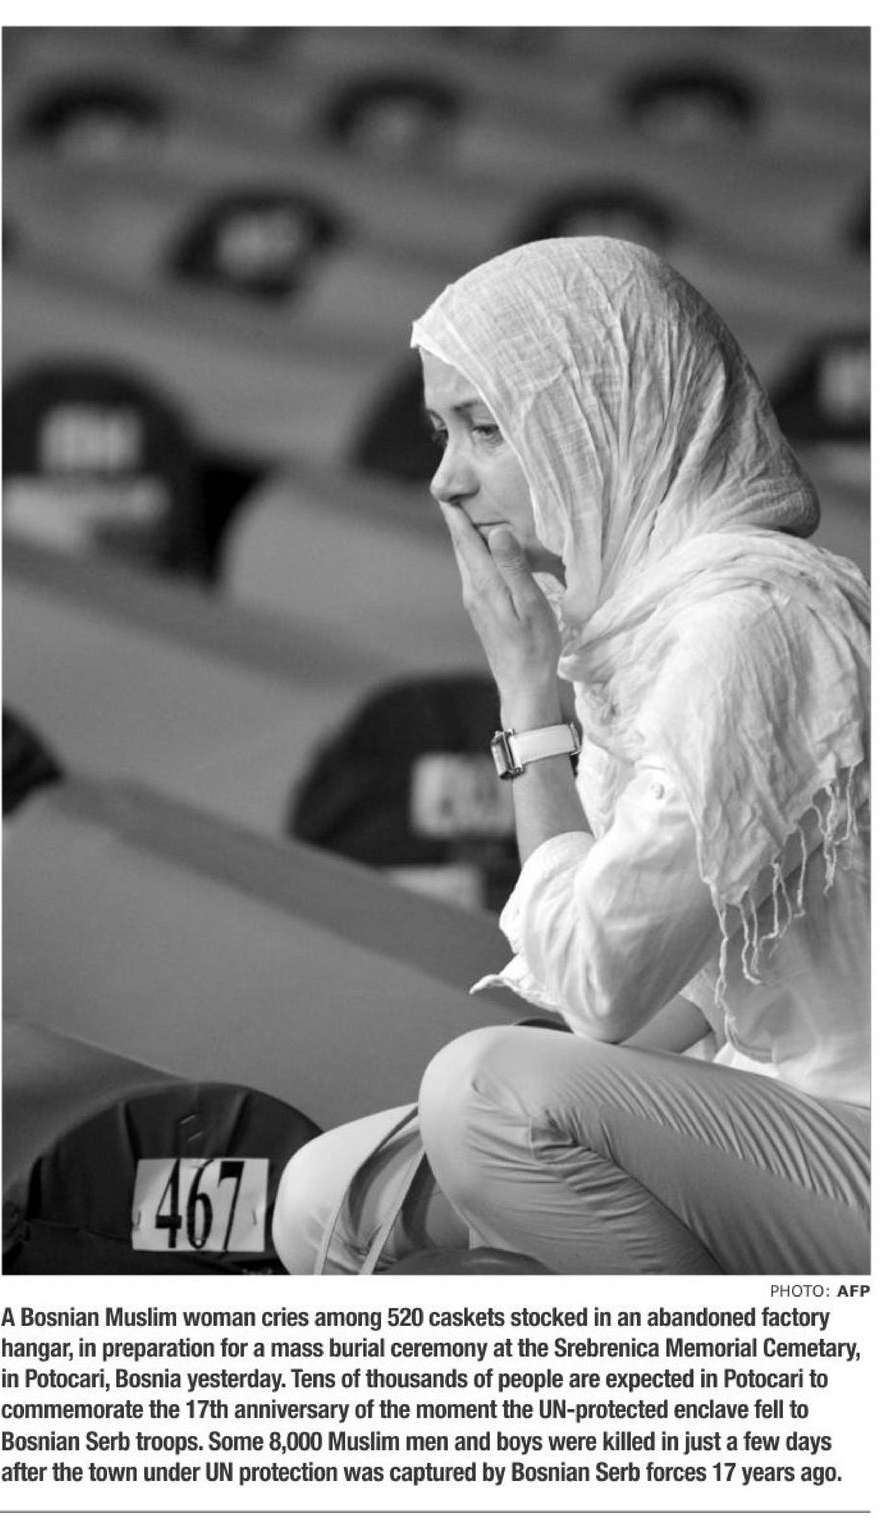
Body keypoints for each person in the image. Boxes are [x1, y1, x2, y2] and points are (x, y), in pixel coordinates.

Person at [272, 237, 869, 1275]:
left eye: (485, 428)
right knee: (327, 1195)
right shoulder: (639, 615)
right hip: (774, 1106)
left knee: (486, 1096)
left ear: (603, 418)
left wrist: (524, 700)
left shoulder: (750, 623)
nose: (444, 480)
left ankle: (737, 1377)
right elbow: (685, 994)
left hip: (849, 1126)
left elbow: (598, 982)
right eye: (440, 431)